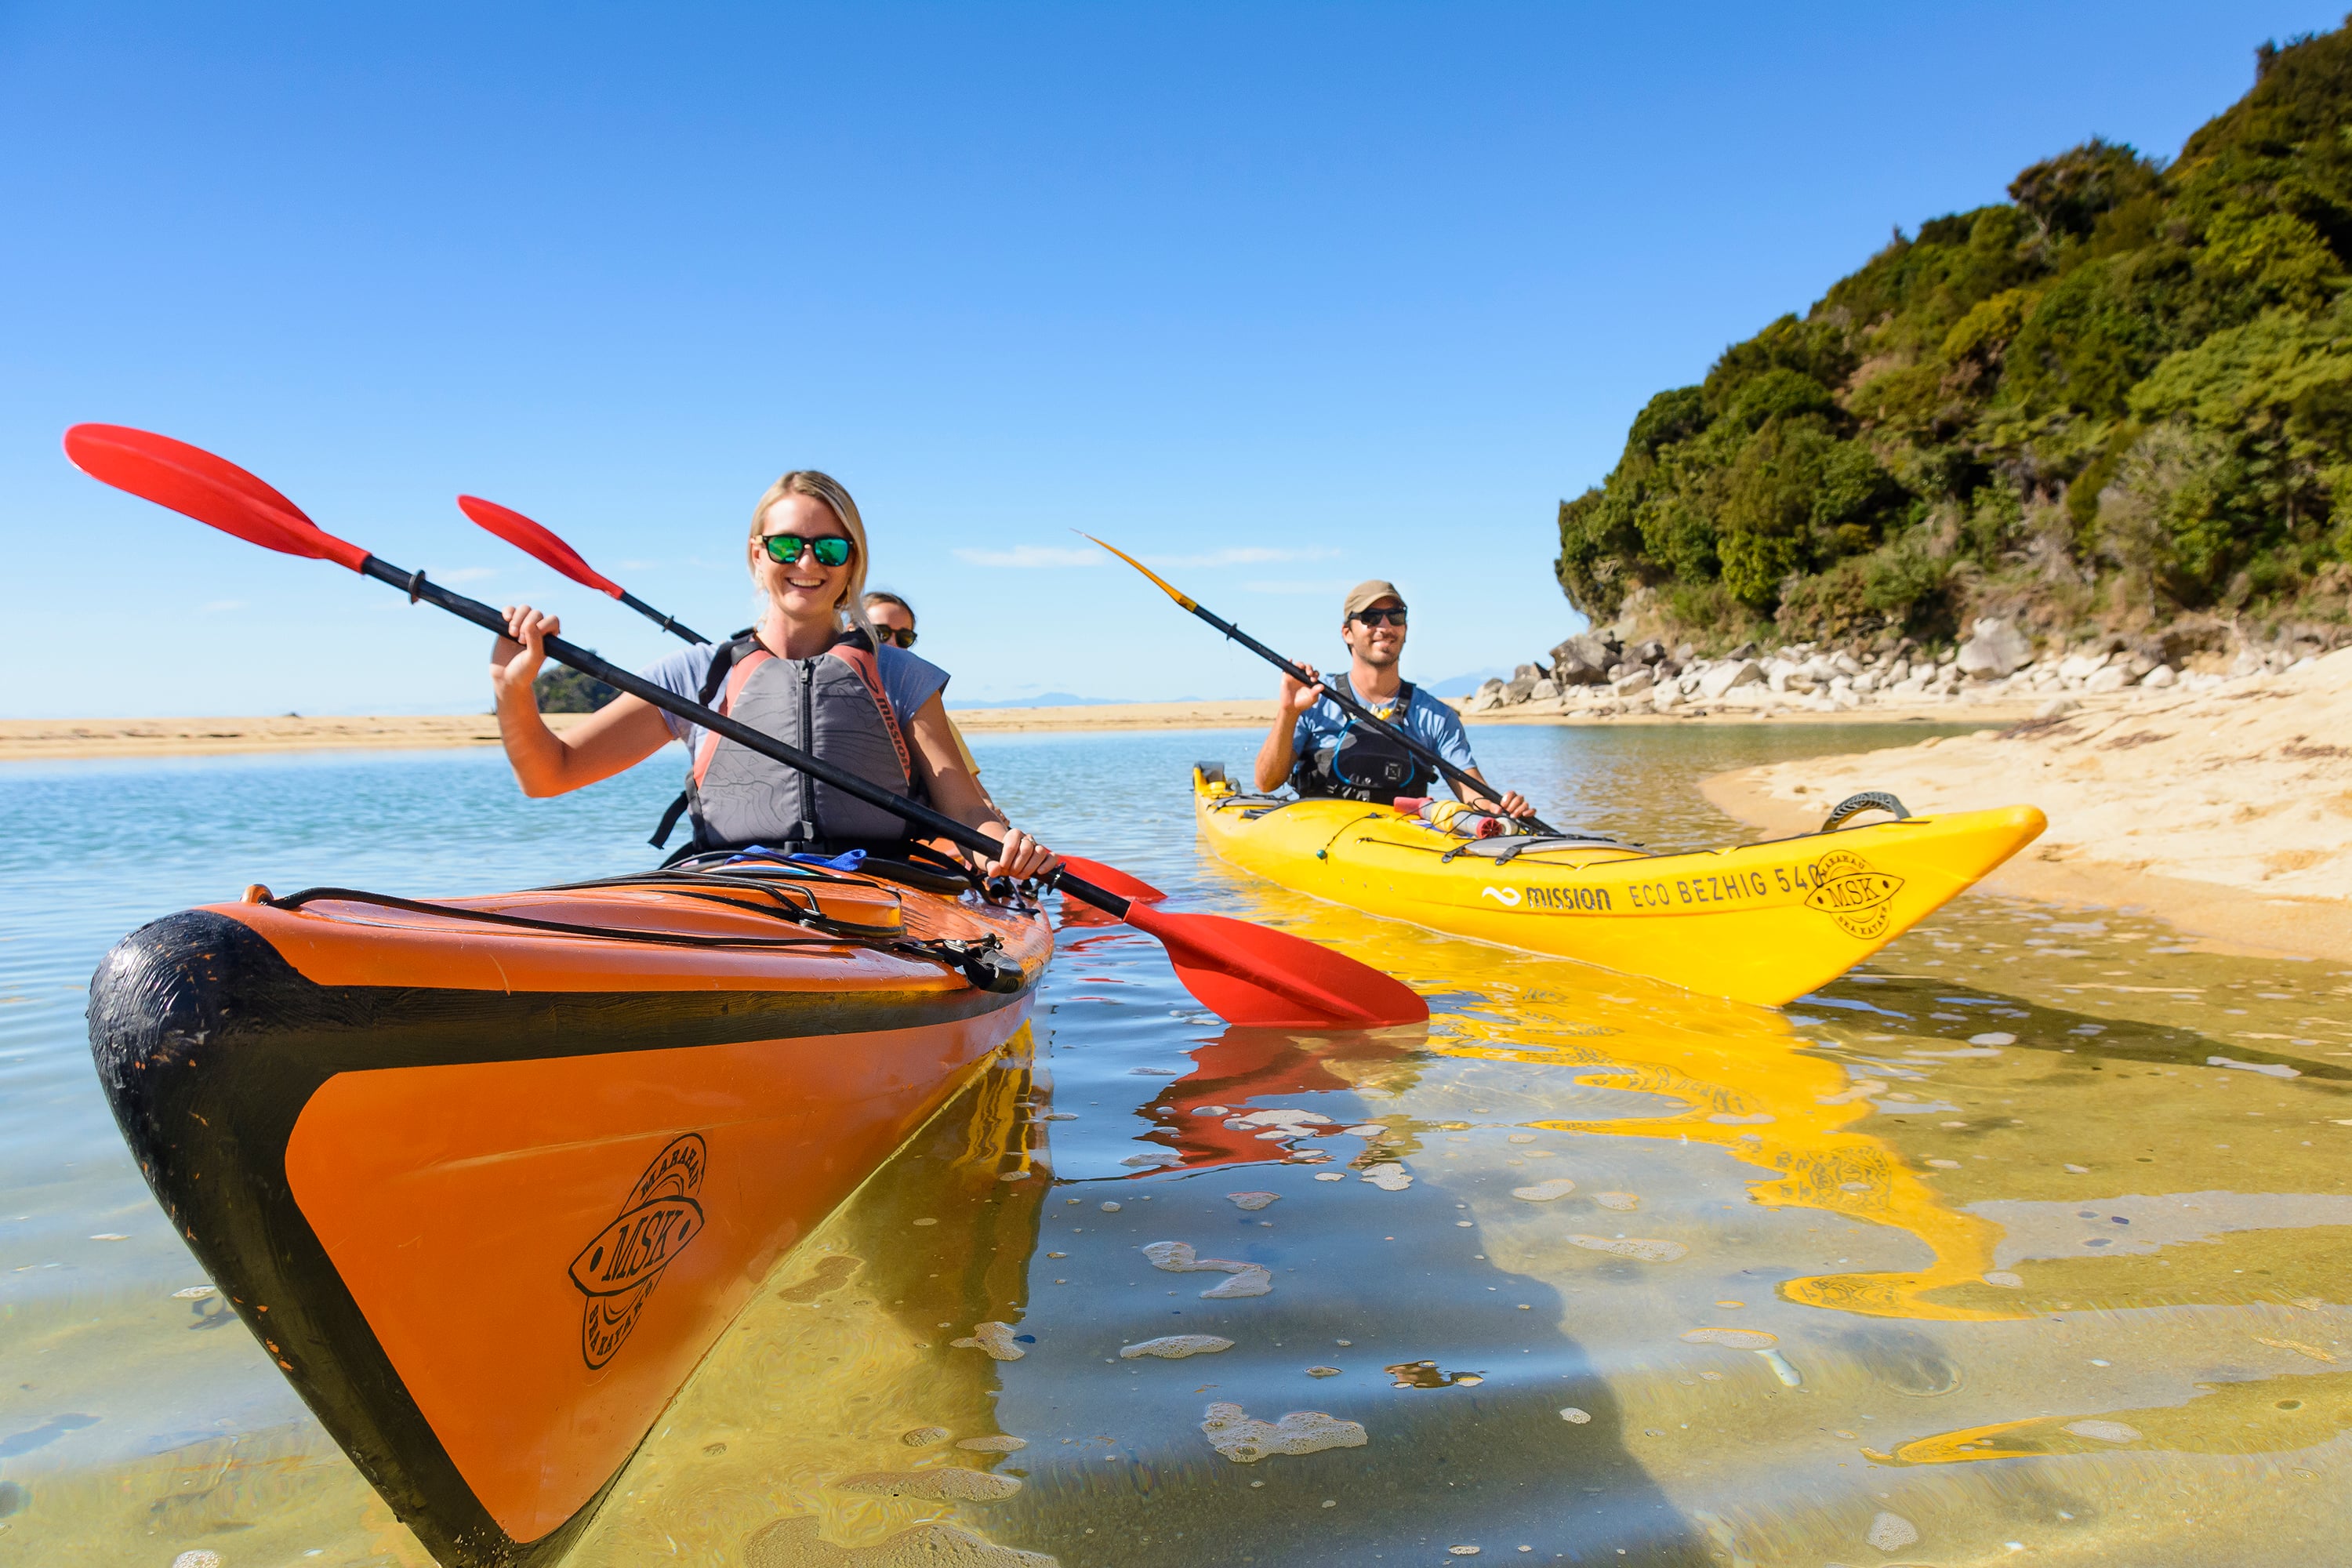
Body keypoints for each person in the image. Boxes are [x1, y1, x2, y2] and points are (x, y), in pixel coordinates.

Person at [488, 470, 1059, 880]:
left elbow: (964, 811)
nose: (806, 564)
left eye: (829, 548)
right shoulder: (696, 676)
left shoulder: (903, 677)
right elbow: (550, 775)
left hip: (881, 896)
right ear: (757, 555)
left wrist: (1001, 848)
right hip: (737, 892)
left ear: (852, 564)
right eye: (787, 545)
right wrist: (511, 692)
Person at [1254, 579, 1534, 818]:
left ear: (1405, 629)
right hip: (1321, 836)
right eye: (1371, 617)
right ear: (1347, 633)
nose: (1385, 626)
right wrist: (1288, 712)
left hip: (1396, 843)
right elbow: (1266, 782)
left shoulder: (1437, 717)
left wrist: (1500, 809)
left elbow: (1474, 796)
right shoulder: (1314, 698)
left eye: (1396, 616)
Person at [862, 589, 1004, 818]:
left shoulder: (924, 709)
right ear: (851, 630)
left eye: (905, 637)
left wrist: (989, 814)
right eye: (881, 633)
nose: (893, 644)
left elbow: (977, 797)